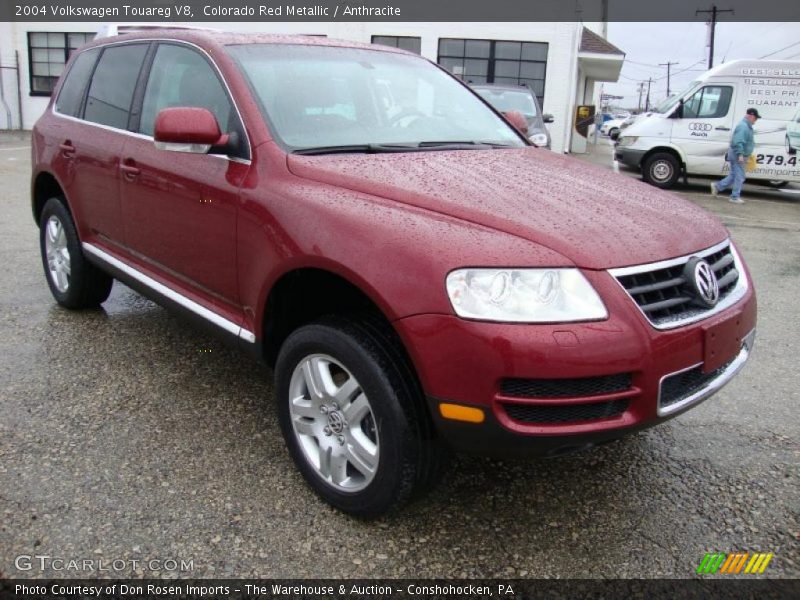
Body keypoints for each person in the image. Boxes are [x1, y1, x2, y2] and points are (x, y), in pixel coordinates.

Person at [710, 108, 760, 204]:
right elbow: (738, 141)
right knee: (740, 176)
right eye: (755, 118)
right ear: (751, 116)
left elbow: (740, 141)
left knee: (734, 175)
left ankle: (717, 186)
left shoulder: (745, 126)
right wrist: (740, 154)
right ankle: (734, 197)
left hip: (737, 154)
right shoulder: (744, 126)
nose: (756, 120)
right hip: (739, 155)